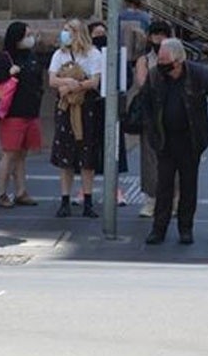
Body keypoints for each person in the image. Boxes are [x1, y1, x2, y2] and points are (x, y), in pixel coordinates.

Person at [134, 38, 208, 245]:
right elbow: (145, 101)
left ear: (179, 60)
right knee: (163, 185)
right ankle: (159, 229)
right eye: (160, 59)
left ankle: (186, 227)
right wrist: (150, 128)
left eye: (165, 60)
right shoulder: (155, 76)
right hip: (165, 139)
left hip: (191, 138)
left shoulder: (199, 75)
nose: (161, 64)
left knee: (188, 184)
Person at [0, 22, 44, 209]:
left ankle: (20, 191)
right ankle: (2, 193)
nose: (30, 38)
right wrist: (8, 74)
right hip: (12, 113)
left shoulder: (31, 57)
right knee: (9, 154)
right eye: (26, 35)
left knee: (22, 154)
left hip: (30, 111)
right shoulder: (4, 58)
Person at [49, 19, 104, 218]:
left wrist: (75, 86)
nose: (64, 34)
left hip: (86, 106)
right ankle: (65, 199)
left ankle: (87, 200)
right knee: (65, 155)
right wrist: (67, 81)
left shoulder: (93, 54)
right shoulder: (59, 54)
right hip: (65, 106)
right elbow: (52, 79)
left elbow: (95, 81)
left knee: (87, 154)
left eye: (68, 31)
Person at [132, 21, 171, 218]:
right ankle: (151, 200)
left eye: (163, 35)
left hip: (173, 115)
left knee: (174, 158)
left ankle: (173, 200)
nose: (159, 39)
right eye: (155, 35)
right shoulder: (144, 60)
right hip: (151, 116)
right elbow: (142, 84)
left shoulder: (178, 58)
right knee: (150, 159)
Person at [89, 20, 128, 207]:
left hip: (111, 105)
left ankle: (116, 190)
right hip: (90, 106)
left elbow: (126, 78)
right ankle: (84, 189)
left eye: (102, 34)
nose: (100, 38)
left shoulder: (117, 54)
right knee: (88, 149)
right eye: (96, 35)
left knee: (114, 149)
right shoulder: (86, 55)